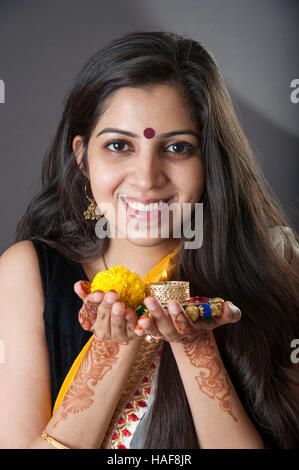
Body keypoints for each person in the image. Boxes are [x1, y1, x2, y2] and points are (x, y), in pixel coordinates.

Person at [0, 30, 298, 450]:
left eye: (177, 147)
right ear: (83, 157)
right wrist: (110, 351)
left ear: (208, 160)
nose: (146, 178)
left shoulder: (276, 258)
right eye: (119, 145)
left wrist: (194, 345)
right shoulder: (26, 273)